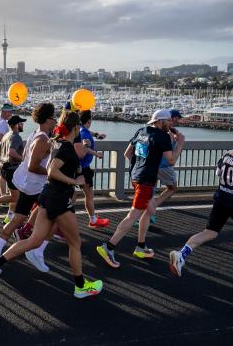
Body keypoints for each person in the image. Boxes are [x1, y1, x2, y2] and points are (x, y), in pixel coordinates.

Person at [0, 111, 103, 299]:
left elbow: (54, 168)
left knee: (34, 240)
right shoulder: (66, 148)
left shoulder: (57, 142)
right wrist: (74, 182)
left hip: (48, 196)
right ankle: (80, 286)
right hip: (59, 199)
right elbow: (52, 170)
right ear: (76, 128)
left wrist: (74, 171)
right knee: (75, 243)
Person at [170, 127, 233, 280]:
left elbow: (218, 172)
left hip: (222, 198)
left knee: (210, 232)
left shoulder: (229, 153)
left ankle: (182, 254)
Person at [96, 109, 184, 268]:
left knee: (149, 211)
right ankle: (108, 247)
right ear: (159, 121)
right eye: (168, 121)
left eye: (171, 121)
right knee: (132, 216)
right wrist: (180, 143)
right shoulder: (162, 136)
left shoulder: (141, 131)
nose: (171, 123)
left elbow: (127, 153)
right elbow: (171, 161)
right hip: (145, 182)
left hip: (136, 178)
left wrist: (138, 167)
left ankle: (141, 247)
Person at [0, 103, 57, 272]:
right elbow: (32, 166)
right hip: (36, 186)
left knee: (17, 219)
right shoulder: (43, 139)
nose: (55, 120)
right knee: (54, 218)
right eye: (53, 117)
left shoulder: (34, 135)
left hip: (27, 184)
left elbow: (25, 156)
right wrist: (50, 172)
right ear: (47, 119)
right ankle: (37, 251)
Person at [136, 109, 183, 228]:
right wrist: (180, 143)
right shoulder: (165, 134)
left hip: (145, 169)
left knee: (149, 192)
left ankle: (144, 216)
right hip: (163, 165)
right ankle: (150, 211)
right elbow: (171, 159)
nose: (177, 120)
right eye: (176, 118)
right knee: (172, 188)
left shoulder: (144, 132)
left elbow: (131, 152)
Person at [0, 115, 26, 223]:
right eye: (21, 123)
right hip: (12, 169)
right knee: (15, 197)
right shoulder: (16, 136)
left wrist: (1, 162)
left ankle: (9, 217)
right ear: (17, 125)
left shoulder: (6, 135)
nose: (23, 125)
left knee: (15, 195)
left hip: (5, 168)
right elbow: (11, 152)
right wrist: (23, 159)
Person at [76, 110, 110, 229]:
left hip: (80, 167)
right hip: (83, 168)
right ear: (89, 121)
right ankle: (93, 220)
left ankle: (93, 217)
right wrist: (97, 154)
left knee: (82, 195)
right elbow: (84, 149)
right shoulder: (84, 134)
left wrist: (97, 135)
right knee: (89, 195)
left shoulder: (80, 130)